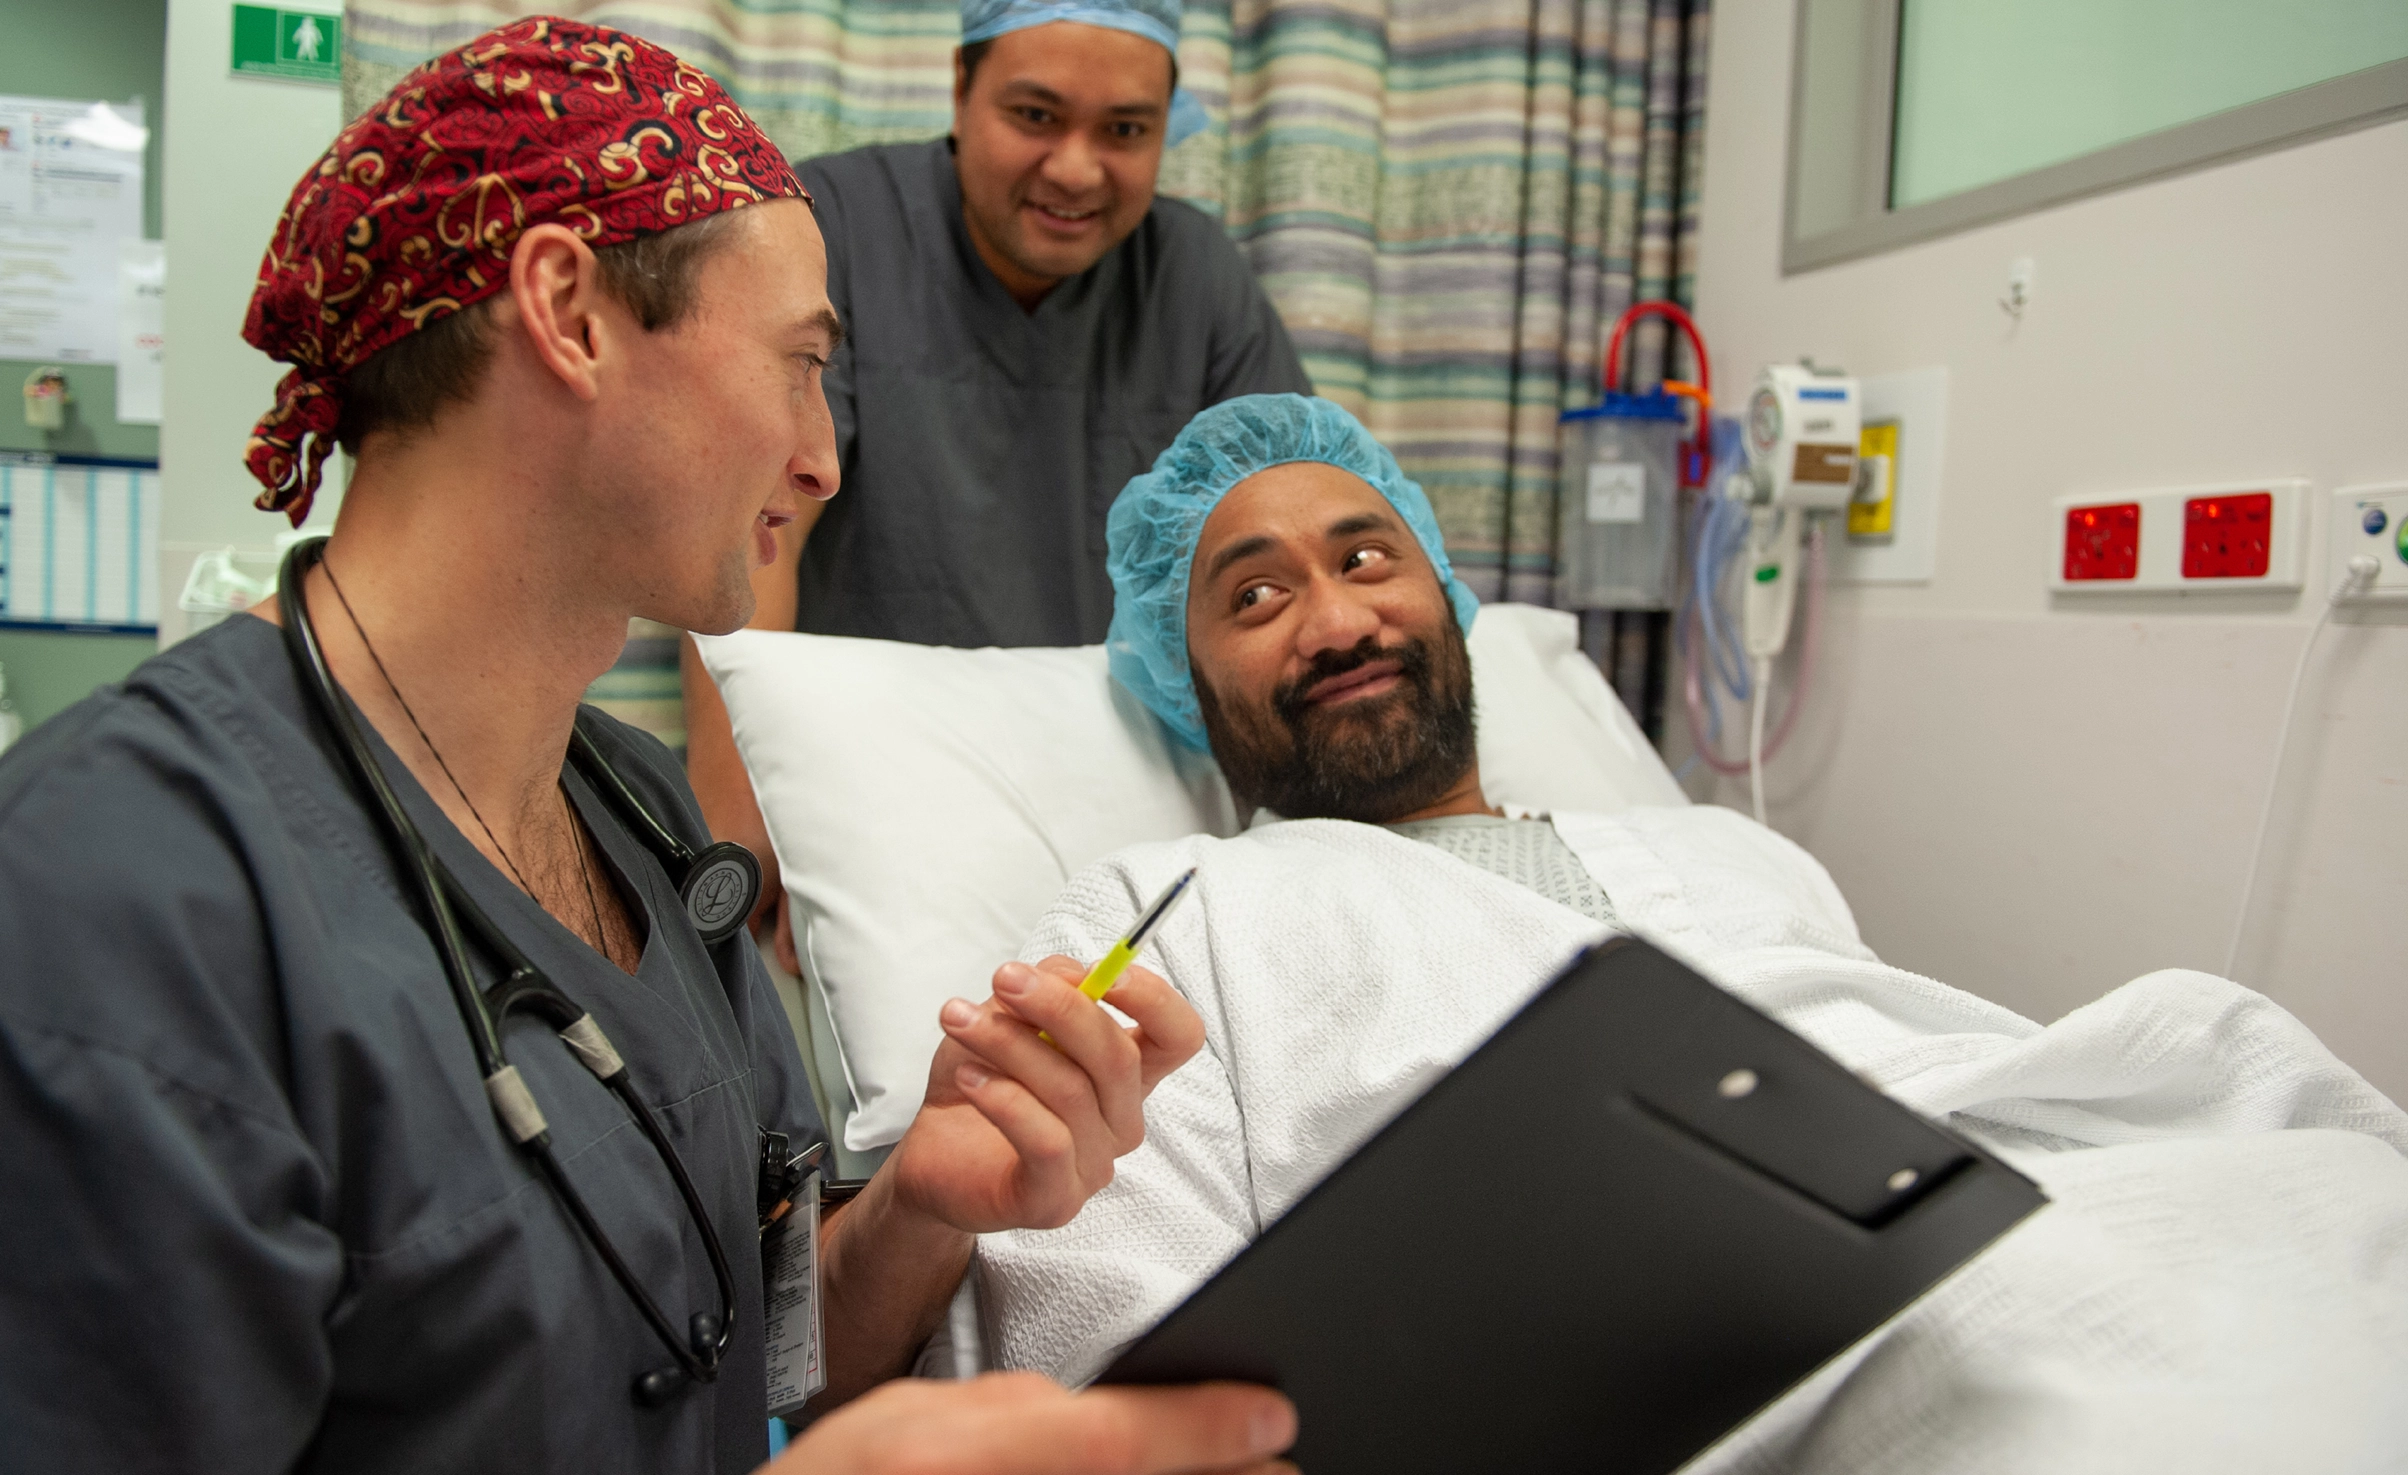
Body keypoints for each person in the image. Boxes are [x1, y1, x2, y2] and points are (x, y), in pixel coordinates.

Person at [0, 24, 1295, 1475]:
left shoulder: (644, 820)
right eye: (800, 364)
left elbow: (764, 1350)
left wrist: (928, 1201)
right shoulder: (113, 891)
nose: (824, 457)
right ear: (571, 310)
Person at [971, 395, 2408, 1467]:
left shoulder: (1727, 846)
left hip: (2088, 1180)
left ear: (1451, 604)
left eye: (1369, 557)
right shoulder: (1182, 905)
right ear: (1189, 680)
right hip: (1695, 1344)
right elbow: (1091, 1311)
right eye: (1259, 593)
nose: (1338, 616)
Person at [681, 0, 1312, 966]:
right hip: (869, 795)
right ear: (960, 91)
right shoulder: (835, 229)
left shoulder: (1193, 280)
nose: (1075, 167)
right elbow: (758, 522)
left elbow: (1297, 542)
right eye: (1034, 115)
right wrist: (745, 828)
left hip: (1134, 801)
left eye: (1126, 131)